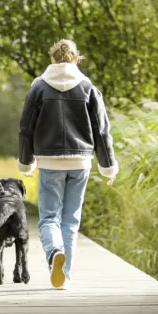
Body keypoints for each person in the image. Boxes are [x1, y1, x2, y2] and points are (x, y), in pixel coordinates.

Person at [18, 39, 118, 290]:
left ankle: (54, 255)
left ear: (52, 59)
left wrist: (26, 162)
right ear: (76, 59)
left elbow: (25, 129)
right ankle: (65, 278)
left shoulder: (38, 89)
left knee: (49, 218)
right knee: (71, 221)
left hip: (50, 162)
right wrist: (108, 167)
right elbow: (102, 131)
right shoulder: (88, 88)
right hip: (80, 162)